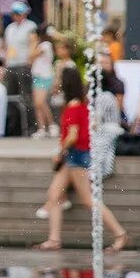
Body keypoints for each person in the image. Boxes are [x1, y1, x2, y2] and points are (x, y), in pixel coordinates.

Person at [34, 65, 130, 253]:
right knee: (54, 194)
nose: (56, 82)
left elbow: (72, 135)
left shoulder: (72, 107)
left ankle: (120, 234)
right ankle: (54, 239)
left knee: (88, 200)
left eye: (59, 79)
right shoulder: (83, 104)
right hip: (76, 156)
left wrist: (59, 152)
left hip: (76, 157)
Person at [0, 1, 39, 136]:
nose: (16, 16)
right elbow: (6, 47)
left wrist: (29, 61)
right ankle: (12, 128)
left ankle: (30, 128)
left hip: (23, 64)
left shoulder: (30, 26)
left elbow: (34, 43)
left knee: (26, 97)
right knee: (10, 97)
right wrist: (4, 66)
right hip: (11, 64)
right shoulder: (9, 28)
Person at [29, 28, 57, 138]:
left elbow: (31, 55)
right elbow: (29, 60)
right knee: (37, 104)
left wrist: (33, 42)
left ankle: (52, 125)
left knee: (41, 102)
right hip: (37, 76)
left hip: (45, 76)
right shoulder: (39, 45)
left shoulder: (46, 45)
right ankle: (41, 128)